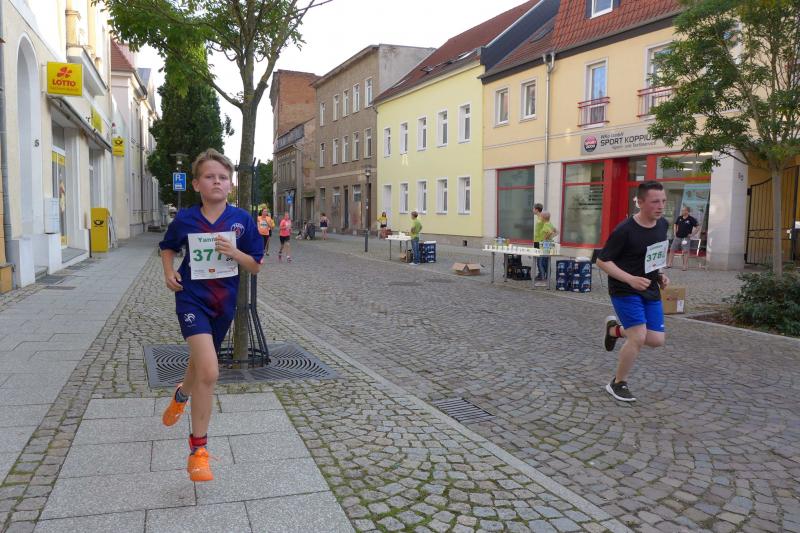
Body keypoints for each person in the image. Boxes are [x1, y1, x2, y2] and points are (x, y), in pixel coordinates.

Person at [158, 148, 263, 481]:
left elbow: (255, 265)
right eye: (209, 176)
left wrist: (235, 252)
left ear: (230, 184)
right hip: (191, 299)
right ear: (196, 184)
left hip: (223, 303)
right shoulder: (186, 219)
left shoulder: (242, 220)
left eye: (222, 177)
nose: (217, 182)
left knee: (200, 366)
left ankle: (181, 395)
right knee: (210, 370)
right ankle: (198, 451)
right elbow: (167, 246)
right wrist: (168, 271)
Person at [597, 181, 670, 403]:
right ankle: (618, 383)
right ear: (640, 202)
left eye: (663, 201)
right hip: (624, 289)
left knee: (656, 340)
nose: (661, 206)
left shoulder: (663, 225)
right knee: (638, 337)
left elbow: (655, 256)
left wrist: (660, 274)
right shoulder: (624, 230)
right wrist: (630, 279)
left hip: (649, 287)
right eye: (655, 201)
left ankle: (614, 331)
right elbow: (602, 261)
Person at [667, 205, 699, 271]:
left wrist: (692, 234)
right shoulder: (679, 217)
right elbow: (675, 224)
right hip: (677, 237)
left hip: (685, 238)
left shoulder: (691, 219)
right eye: (682, 210)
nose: (682, 211)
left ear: (687, 211)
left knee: (685, 252)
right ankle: (669, 264)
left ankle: (684, 266)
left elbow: (698, 227)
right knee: (672, 249)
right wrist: (675, 232)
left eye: (684, 210)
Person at [535, 212, 558, 282]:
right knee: (547, 262)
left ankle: (542, 278)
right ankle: (547, 277)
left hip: (544, 245)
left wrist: (545, 239)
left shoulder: (546, 225)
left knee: (540, 262)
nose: (540, 218)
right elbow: (556, 231)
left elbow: (550, 232)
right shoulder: (550, 223)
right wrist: (550, 238)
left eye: (541, 217)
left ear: (543, 218)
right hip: (548, 245)